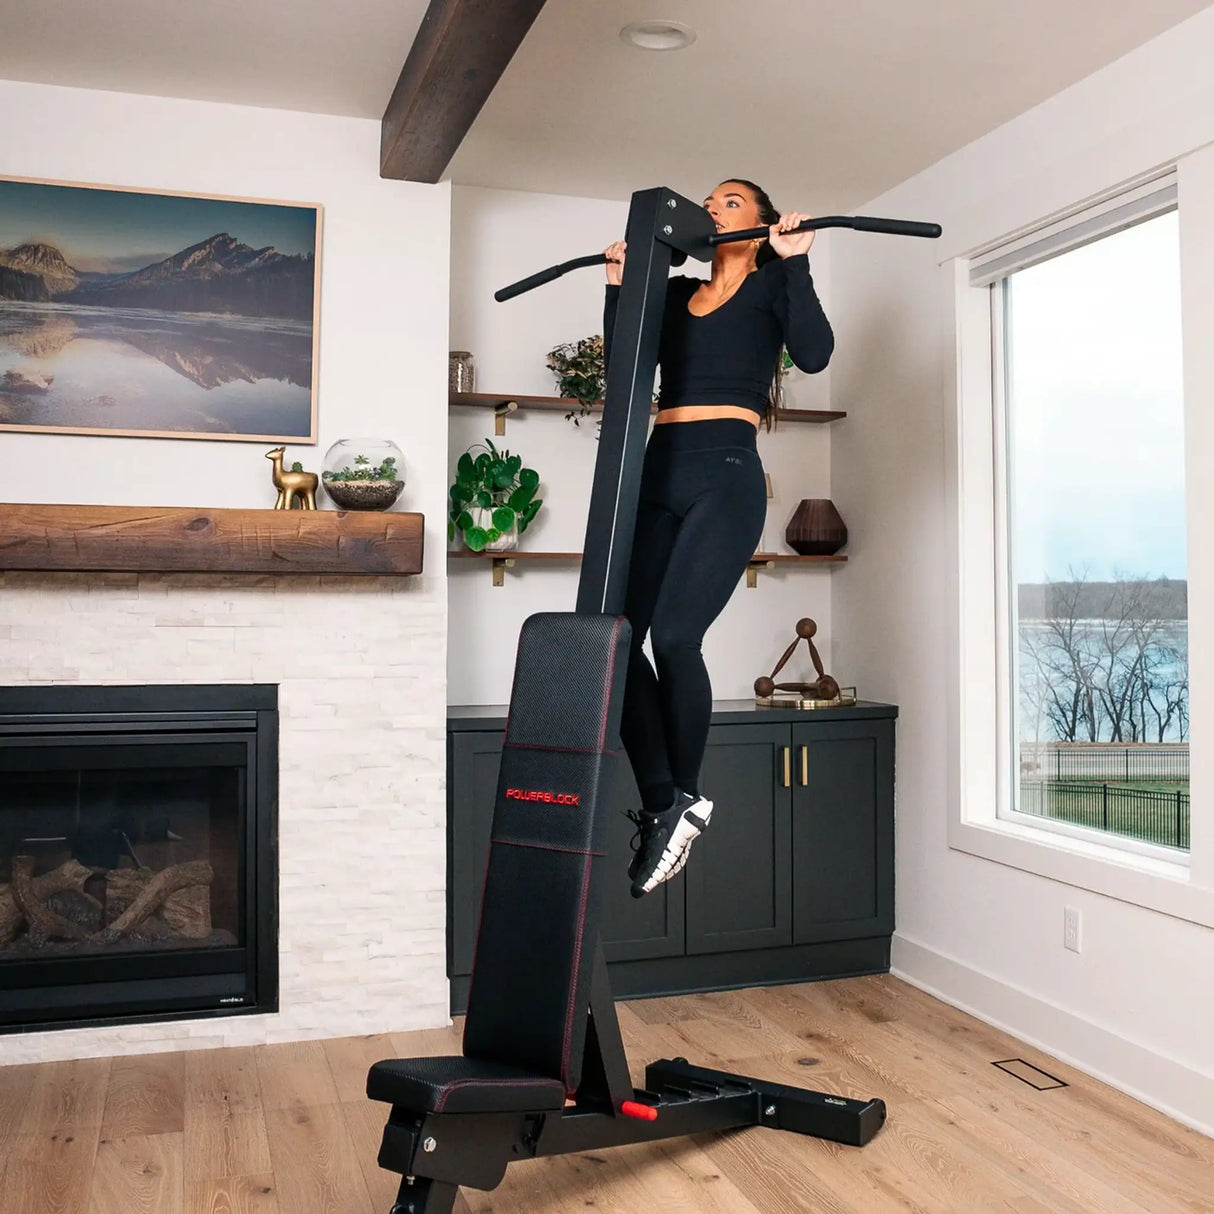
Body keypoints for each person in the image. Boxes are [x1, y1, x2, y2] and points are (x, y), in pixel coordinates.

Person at [602, 179, 834, 898]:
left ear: (760, 224)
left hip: (726, 475)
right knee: (616, 640)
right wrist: (622, 282)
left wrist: (794, 261)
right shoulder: (674, 297)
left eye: (730, 201)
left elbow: (817, 354)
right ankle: (667, 800)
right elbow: (624, 367)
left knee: (673, 638)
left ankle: (689, 793)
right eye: (708, 201)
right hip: (658, 470)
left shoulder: (769, 289)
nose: (712, 207)